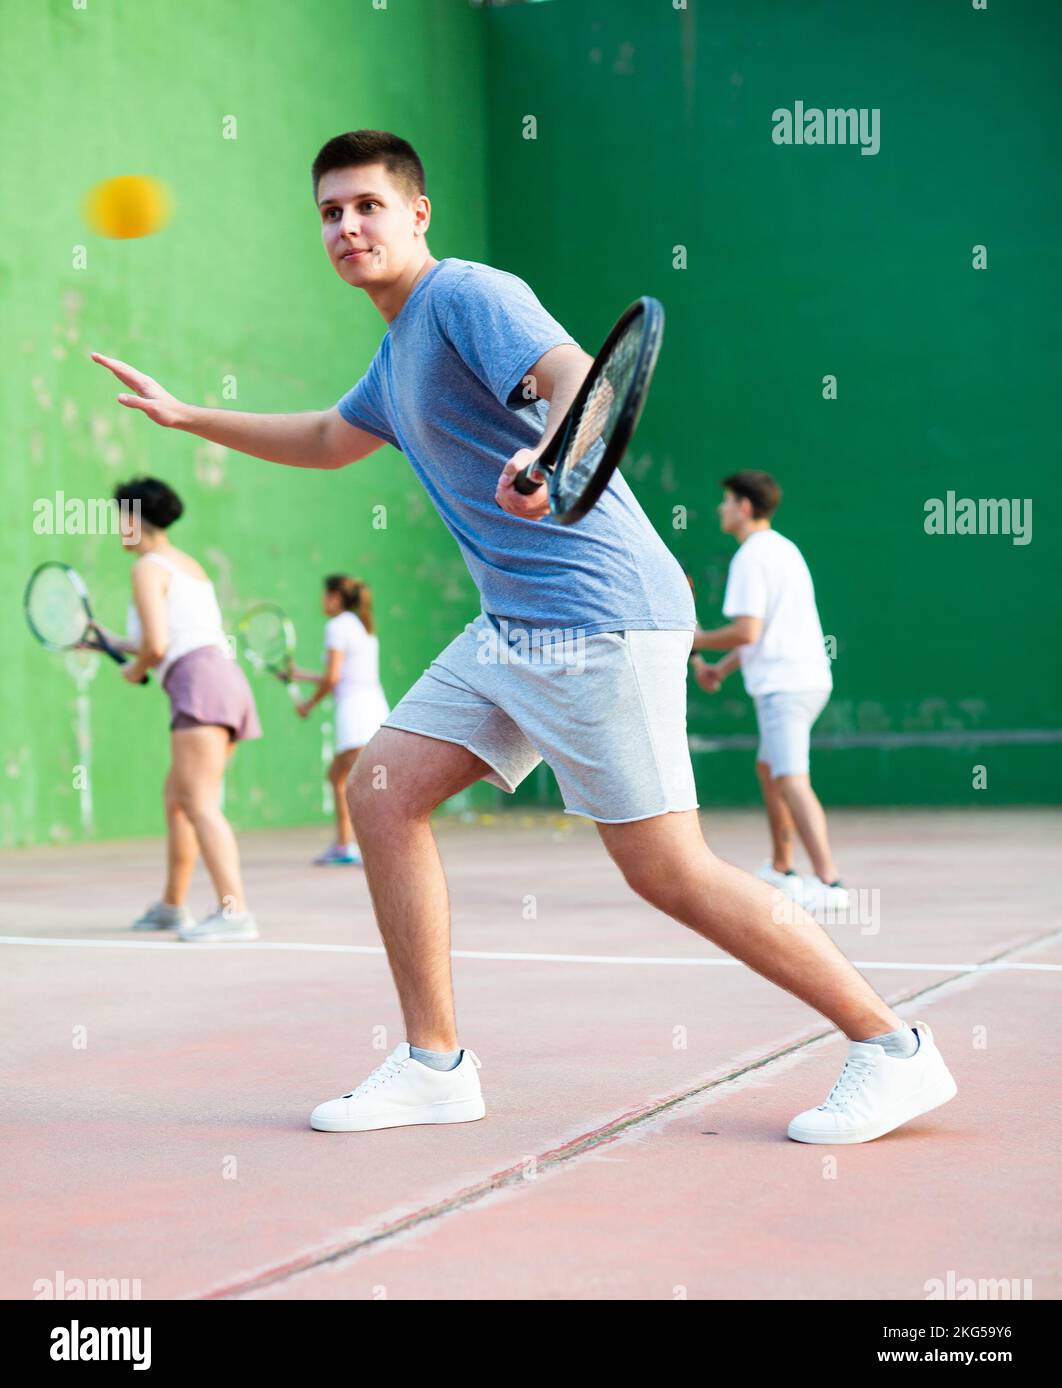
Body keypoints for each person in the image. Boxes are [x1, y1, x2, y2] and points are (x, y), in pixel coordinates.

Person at [90, 130, 957, 1144]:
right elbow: (330, 440)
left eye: (368, 205)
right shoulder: (396, 347)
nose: (348, 226)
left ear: (417, 213)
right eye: (330, 212)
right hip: (515, 624)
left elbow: (572, 375)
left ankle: (893, 1048)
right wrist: (192, 418)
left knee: (667, 870)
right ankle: (434, 1065)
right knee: (380, 790)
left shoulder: (466, 295)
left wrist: (546, 453)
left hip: (597, 610)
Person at [95, 477, 261, 943]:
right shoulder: (186, 564)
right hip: (221, 680)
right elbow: (168, 637)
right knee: (180, 799)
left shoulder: (147, 566)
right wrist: (112, 641)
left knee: (199, 803)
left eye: (119, 519)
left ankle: (235, 912)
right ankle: (172, 905)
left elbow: (158, 645)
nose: (117, 529)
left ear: (133, 519)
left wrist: (134, 669)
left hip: (198, 683)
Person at [690, 472, 846, 912]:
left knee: (793, 780)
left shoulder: (751, 557)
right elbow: (765, 634)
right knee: (769, 768)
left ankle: (831, 884)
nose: (720, 509)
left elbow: (746, 629)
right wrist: (718, 669)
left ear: (743, 506)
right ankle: (782, 869)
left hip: (785, 687)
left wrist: (698, 642)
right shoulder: (785, 550)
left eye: (725, 501)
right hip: (805, 678)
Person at [289, 575, 389, 866]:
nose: (322, 601)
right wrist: (301, 676)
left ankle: (362, 846)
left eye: (325, 595)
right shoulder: (362, 626)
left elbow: (333, 678)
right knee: (342, 777)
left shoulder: (336, 626)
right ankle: (348, 844)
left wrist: (308, 704)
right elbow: (342, 675)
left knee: (353, 781)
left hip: (356, 713)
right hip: (374, 708)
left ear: (335, 597)